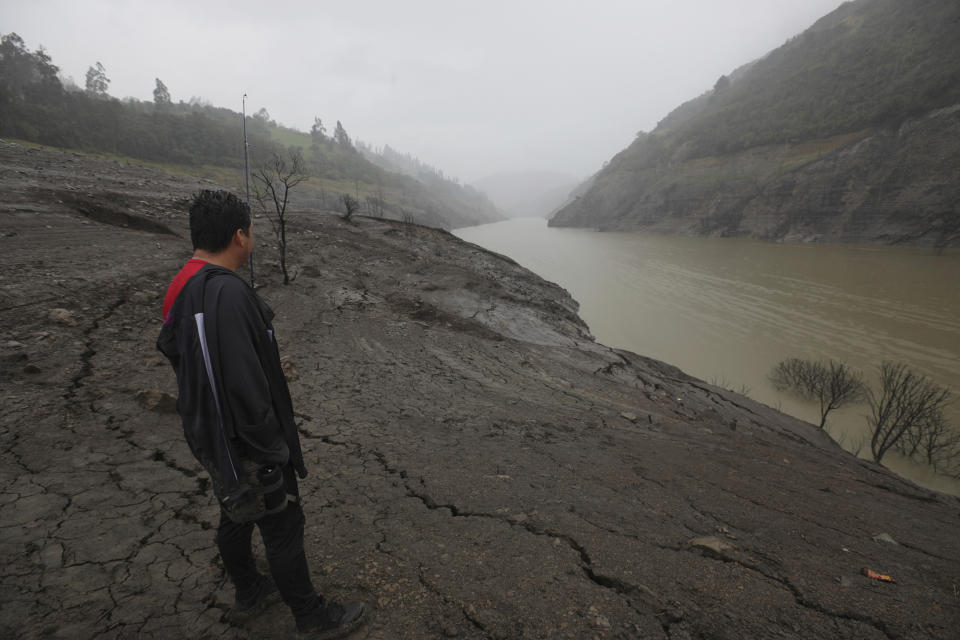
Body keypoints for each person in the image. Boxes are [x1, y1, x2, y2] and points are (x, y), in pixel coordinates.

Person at [156, 189, 365, 637]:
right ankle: (311, 619)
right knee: (282, 525)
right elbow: (244, 381)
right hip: (246, 441)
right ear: (239, 236)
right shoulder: (227, 294)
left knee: (235, 507)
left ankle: (250, 589)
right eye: (251, 230)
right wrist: (271, 448)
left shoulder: (183, 284)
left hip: (210, 434)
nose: (253, 237)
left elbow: (175, 351)